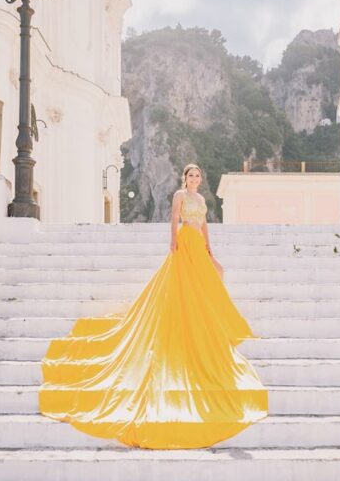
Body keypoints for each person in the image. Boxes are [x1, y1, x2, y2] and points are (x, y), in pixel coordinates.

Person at [38, 163, 269, 449]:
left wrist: (210, 250)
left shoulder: (201, 200)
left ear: (201, 179)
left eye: (198, 175)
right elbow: (175, 219)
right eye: (190, 175)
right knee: (183, 284)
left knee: (204, 284)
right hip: (184, 242)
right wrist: (173, 241)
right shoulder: (180, 196)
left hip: (198, 243)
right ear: (185, 178)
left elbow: (205, 225)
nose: (194, 179)